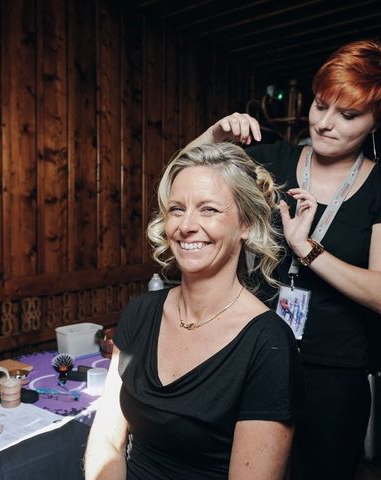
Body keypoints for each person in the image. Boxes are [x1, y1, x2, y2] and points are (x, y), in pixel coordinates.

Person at [185, 40, 381, 479]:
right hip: (253, 353)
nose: (325, 124)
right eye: (320, 105)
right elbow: (180, 179)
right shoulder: (271, 160)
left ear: (375, 120)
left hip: (335, 372)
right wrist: (212, 137)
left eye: (347, 115)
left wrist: (306, 249)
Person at [84, 143, 303, 480]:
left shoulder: (268, 344)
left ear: (245, 224)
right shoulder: (139, 315)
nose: (185, 226)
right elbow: (107, 441)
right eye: (176, 209)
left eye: (208, 210)